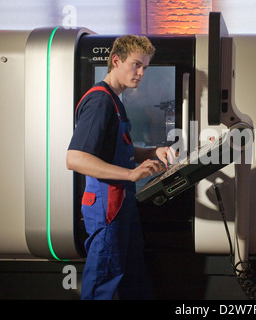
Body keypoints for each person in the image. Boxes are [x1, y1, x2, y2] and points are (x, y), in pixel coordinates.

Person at [66, 35, 171, 300]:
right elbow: (76, 159)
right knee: (104, 283)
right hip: (107, 208)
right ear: (116, 60)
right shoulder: (100, 101)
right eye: (136, 65)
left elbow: (116, 151)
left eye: (145, 67)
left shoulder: (115, 101)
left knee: (131, 282)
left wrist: (151, 152)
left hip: (121, 205)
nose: (141, 73)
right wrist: (131, 174)